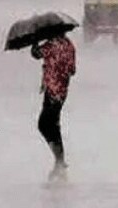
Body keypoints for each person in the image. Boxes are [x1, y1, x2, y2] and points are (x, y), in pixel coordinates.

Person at [31, 31, 76, 178]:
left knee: (44, 124)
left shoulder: (52, 45)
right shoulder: (69, 45)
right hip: (61, 90)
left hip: (53, 90)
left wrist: (35, 41)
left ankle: (59, 159)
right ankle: (59, 159)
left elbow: (36, 54)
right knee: (53, 123)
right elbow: (72, 70)